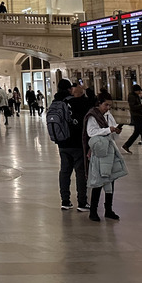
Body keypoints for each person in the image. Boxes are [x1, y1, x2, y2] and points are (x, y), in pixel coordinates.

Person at [84, 91, 127, 221]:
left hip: (109, 151)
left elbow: (112, 134)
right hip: (99, 152)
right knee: (98, 181)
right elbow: (91, 132)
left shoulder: (108, 115)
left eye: (110, 106)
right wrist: (109, 130)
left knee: (110, 179)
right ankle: (93, 211)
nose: (108, 108)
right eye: (106, 105)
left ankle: (109, 209)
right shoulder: (93, 116)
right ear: (99, 103)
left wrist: (116, 131)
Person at [53, 79, 92, 212]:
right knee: (80, 172)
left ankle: (65, 201)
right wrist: (85, 89)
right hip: (77, 143)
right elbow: (93, 102)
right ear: (70, 89)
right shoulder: (79, 101)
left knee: (64, 171)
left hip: (62, 142)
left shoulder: (57, 102)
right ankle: (82, 202)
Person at [122, 84, 142, 156]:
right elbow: (133, 106)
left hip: (138, 115)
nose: (139, 92)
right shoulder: (132, 97)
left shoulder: (135, 96)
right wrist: (141, 106)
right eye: (138, 91)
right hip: (136, 115)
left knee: (137, 132)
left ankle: (127, 145)